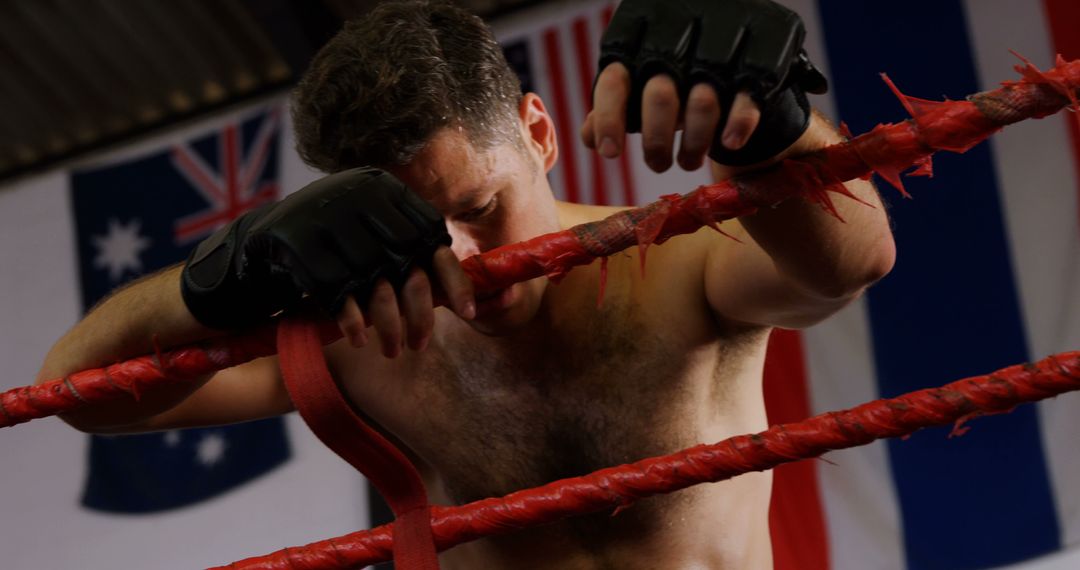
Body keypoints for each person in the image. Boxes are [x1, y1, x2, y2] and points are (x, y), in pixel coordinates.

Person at [36, 0, 895, 567]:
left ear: (539, 133)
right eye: (408, 233)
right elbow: (81, 396)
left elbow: (850, 266)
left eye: (480, 208)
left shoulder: (668, 262)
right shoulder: (369, 335)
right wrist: (214, 276)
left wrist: (775, 132)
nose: (458, 262)